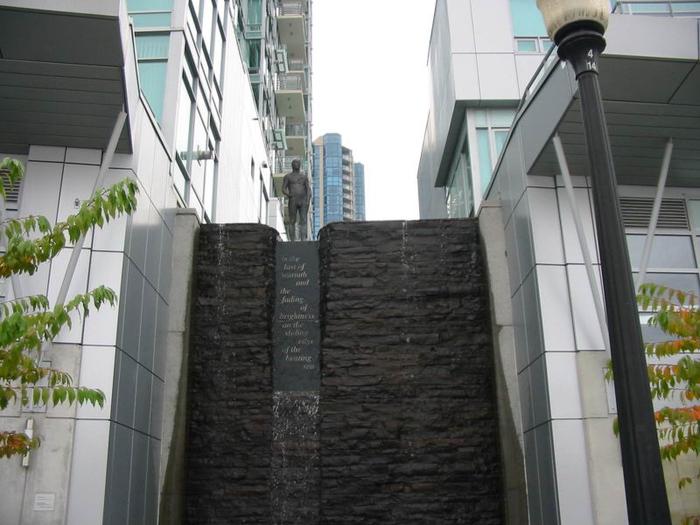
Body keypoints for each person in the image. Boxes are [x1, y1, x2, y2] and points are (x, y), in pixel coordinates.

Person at [282, 159, 310, 241]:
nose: (296, 164)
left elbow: (308, 189)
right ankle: (292, 240)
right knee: (292, 220)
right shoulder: (288, 176)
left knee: (303, 220)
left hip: (303, 199)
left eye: (298, 163)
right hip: (293, 199)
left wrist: (308, 199)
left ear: (300, 165)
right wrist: (288, 194)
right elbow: (283, 188)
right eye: (294, 163)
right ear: (292, 165)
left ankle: (303, 240)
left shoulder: (304, 177)